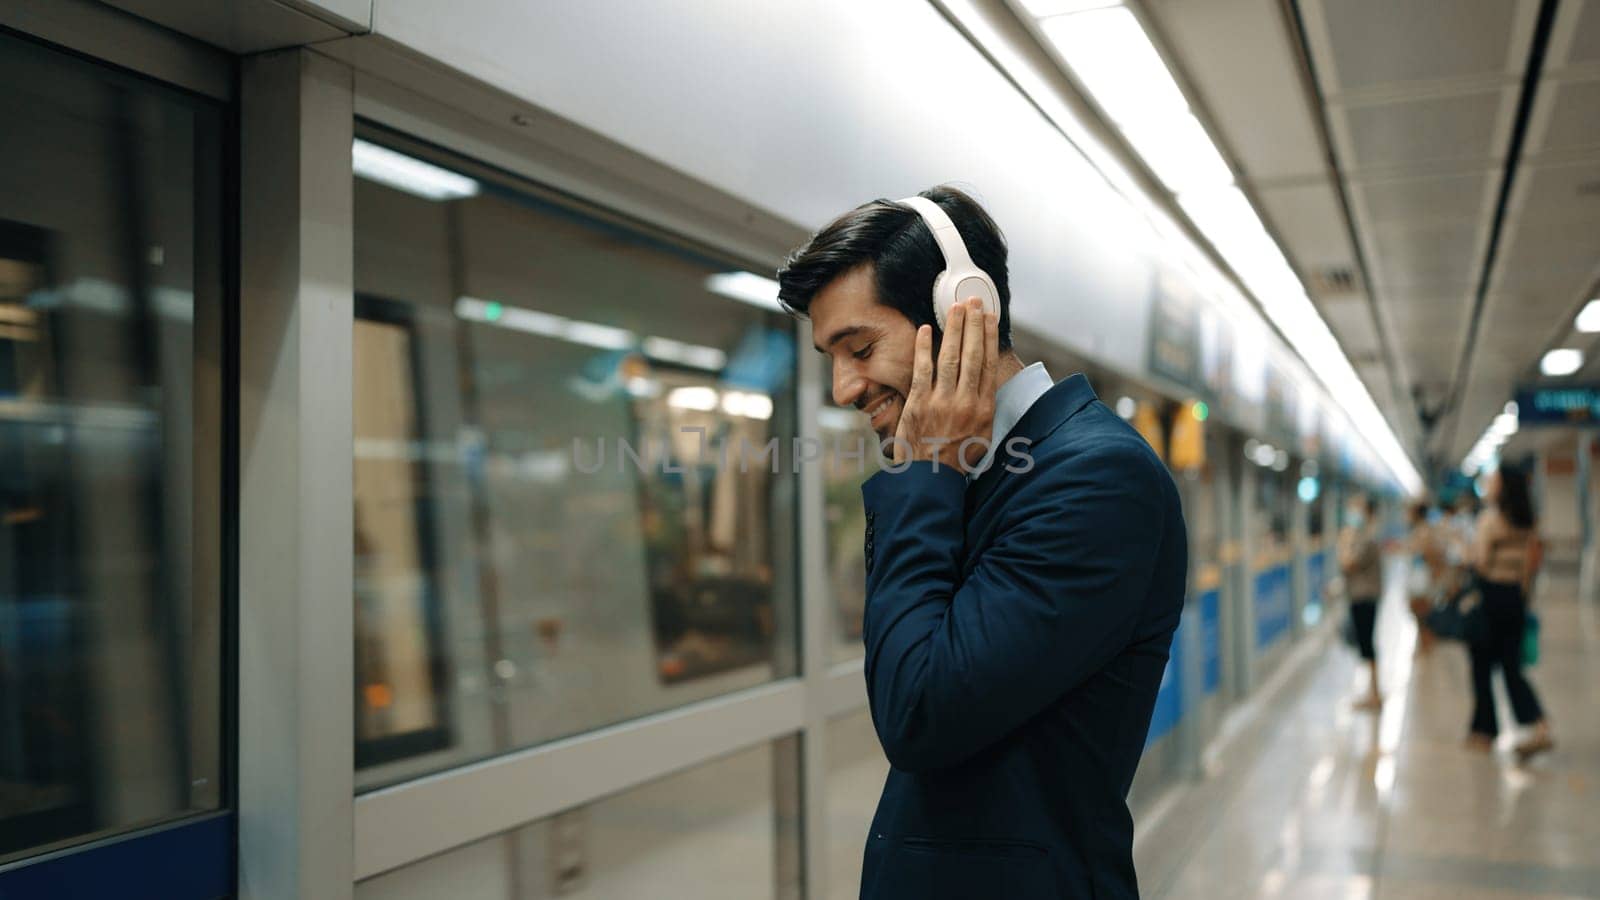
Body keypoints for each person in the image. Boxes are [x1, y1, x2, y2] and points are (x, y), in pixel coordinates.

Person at [777, 186, 1186, 899]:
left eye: (861, 348)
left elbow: (919, 711)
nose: (842, 388)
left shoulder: (1096, 477)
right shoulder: (975, 472)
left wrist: (927, 468)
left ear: (963, 312)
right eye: (830, 359)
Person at [1466, 466, 1552, 759]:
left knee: (1481, 665)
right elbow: (1530, 567)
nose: (1489, 483)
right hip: (1515, 597)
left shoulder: (1490, 520)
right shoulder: (1527, 523)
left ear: (1503, 487)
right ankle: (1539, 724)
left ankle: (1484, 731)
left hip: (1490, 596)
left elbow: (1480, 562)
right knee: (1511, 666)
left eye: (1494, 480)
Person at [1338, 494, 1383, 710]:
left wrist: (1345, 542)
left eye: (1357, 507)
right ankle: (1372, 692)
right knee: (1365, 644)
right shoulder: (1364, 535)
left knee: (1367, 644)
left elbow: (1348, 564)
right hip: (1360, 595)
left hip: (1365, 596)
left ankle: (1374, 694)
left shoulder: (1365, 537)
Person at [1405, 501, 1445, 655]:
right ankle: (1424, 642)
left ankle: (1426, 643)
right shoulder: (1422, 530)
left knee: (1421, 610)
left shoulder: (1424, 531)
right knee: (1419, 610)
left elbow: (1430, 554)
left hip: (1422, 576)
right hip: (1419, 575)